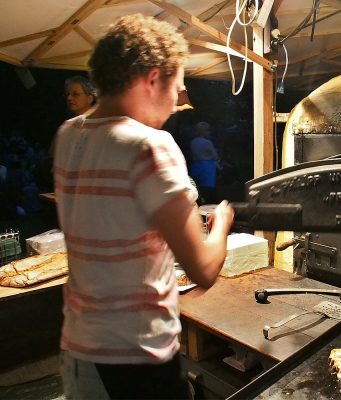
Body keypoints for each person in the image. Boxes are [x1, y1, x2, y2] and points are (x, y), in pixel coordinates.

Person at [52, 14, 234, 399]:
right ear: (152, 79)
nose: (175, 105)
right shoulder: (150, 145)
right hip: (139, 353)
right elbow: (202, 269)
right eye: (176, 91)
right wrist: (222, 223)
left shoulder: (68, 134)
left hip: (80, 348)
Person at [189, 121, 220, 204]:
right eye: (208, 130)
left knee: (196, 189)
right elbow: (215, 156)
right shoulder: (207, 142)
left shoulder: (193, 142)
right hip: (207, 167)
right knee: (208, 191)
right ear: (205, 131)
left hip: (196, 166)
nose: (209, 132)